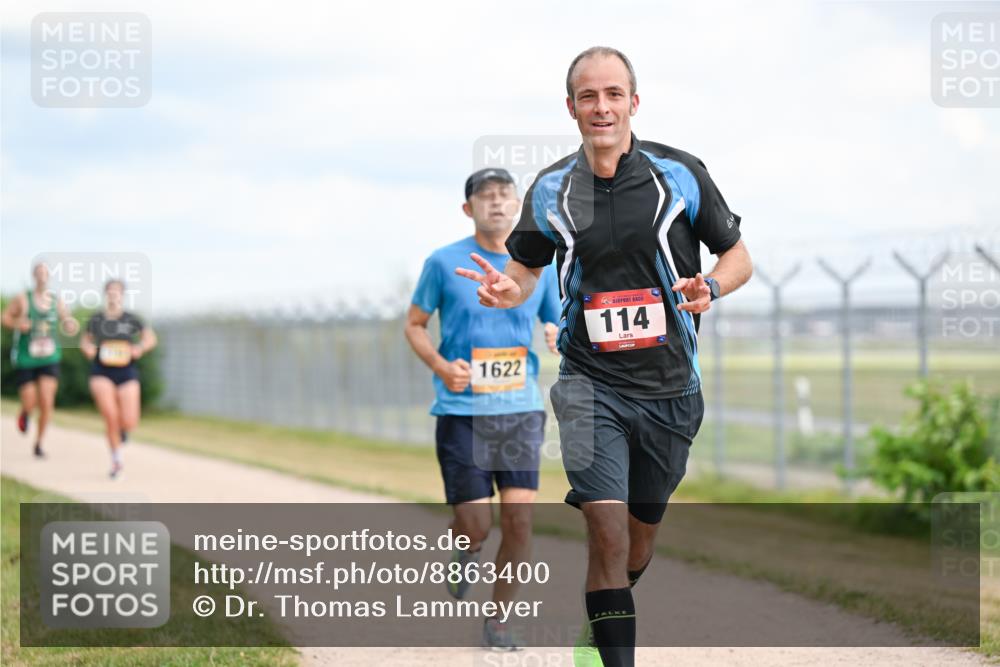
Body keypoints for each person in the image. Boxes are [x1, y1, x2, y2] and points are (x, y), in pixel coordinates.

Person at [456, 47, 753, 666]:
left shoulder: (680, 173)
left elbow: (739, 258)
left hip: (671, 389)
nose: (602, 107)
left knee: (638, 542)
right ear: (571, 108)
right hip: (590, 386)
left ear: (633, 103)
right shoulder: (552, 189)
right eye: (588, 96)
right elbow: (527, 265)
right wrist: (512, 286)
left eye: (613, 94)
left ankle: (601, 625)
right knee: (607, 530)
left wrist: (713, 286)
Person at [404, 167, 562, 650]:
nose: (496, 203)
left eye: (505, 195)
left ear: (517, 206)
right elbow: (414, 324)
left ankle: (498, 621)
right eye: (485, 196)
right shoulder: (442, 262)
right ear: (468, 208)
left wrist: (557, 333)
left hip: (520, 409)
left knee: (518, 520)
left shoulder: (541, 266)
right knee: (476, 524)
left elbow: (557, 320)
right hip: (461, 411)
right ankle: (463, 547)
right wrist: (438, 362)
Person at [80, 278, 157, 479]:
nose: (114, 295)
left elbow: (150, 338)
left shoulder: (132, 319)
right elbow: (85, 342)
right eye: (110, 291)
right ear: (106, 294)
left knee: (129, 420)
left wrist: (140, 348)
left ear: (123, 295)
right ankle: (116, 460)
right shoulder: (96, 319)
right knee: (110, 416)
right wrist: (88, 350)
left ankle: (124, 430)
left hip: (126, 371)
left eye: (117, 291)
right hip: (101, 371)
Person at [1, 262, 80, 458]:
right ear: (34, 276)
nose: (42, 276)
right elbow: (5, 318)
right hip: (26, 357)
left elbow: (68, 320)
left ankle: (39, 443)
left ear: (49, 276)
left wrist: (71, 325)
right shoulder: (23, 299)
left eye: (45, 273)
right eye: (39, 273)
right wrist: (19, 323)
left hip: (49, 357)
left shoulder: (55, 300)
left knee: (46, 400)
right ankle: (25, 413)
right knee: (30, 401)